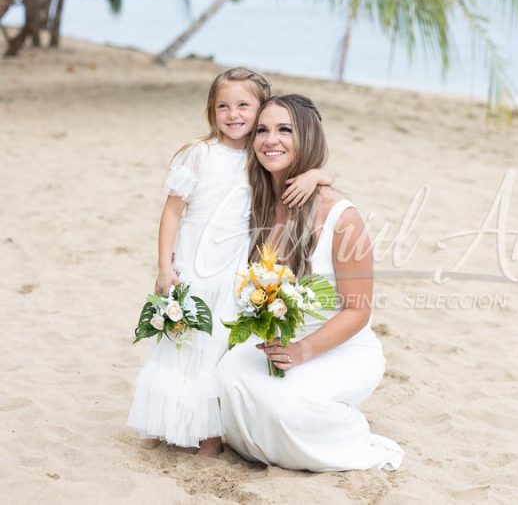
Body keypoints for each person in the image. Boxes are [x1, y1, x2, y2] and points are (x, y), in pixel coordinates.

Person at [127, 69, 332, 456]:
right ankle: (158, 425)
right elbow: (172, 212)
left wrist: (318, 174)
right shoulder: (199, 154)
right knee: (178, 344)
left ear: (261, 111)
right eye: (223, 105)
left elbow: (312, 169)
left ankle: (209, 438)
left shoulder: (259, 160)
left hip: (233, 271)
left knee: (215, 347)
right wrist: (163, 265)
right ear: (211, 110)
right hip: (192, 264)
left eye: (243, 105)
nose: (233, 114)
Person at [217, 94, 404, 471]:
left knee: (286, 410)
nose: (272, 140)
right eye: (263, 130)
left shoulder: (340, 216)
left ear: (308, 138)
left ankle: (350, 433)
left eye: (285, 130)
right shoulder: (256, 201)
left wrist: (303, 351)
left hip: (338, 346)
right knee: (226, 379)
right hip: (279, 344)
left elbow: (358, 311)